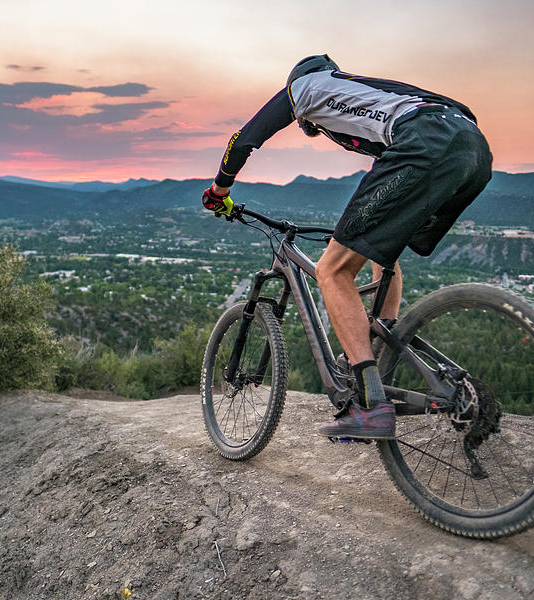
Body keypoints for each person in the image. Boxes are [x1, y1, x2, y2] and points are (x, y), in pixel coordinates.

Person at [202, 54, 492, 439]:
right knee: (380, 247)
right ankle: (381, 338)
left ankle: (371, 407)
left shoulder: (304, 88)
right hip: (471, 149)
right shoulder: (366, 95)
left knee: (331, 270)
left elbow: (243, 139)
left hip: (427, 139)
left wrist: (219, 190)